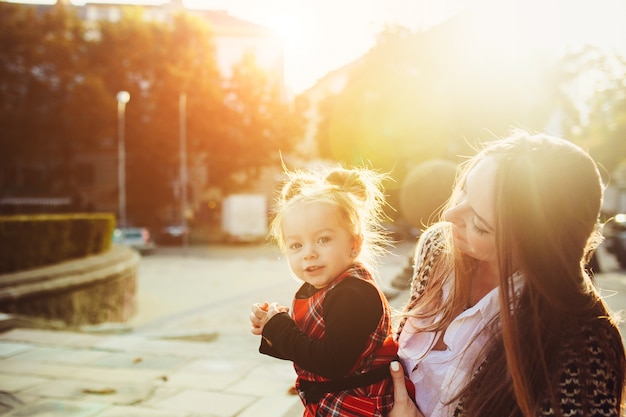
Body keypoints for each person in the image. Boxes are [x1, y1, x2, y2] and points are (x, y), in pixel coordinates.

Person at [387, 130, 625, 417]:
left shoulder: (583, 354)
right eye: (464, 189)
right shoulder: (438, 247)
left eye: (479, 224)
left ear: (534, 249)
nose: (450, 217)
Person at [249, 166, 414, 416]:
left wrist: (280, 328)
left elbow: (332, 362)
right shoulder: (323, 288)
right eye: (296, 245)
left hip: (359, 406)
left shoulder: (353, 294)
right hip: (333, 403)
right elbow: (309, 349)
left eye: (323, 239)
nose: (309, 252)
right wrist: (272, 327)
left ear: (354, 244)